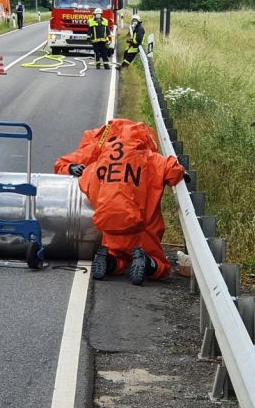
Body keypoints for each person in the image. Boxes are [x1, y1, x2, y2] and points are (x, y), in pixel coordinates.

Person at [55, 120, 184, 285]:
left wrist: (72, 170)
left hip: (110, 227)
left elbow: (85, 182)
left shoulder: (101, 156)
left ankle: (109, 261)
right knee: (163, 268)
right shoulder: (150, 158)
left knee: (119, 259)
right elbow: (174, 171)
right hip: (140, 229)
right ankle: (146, 261)